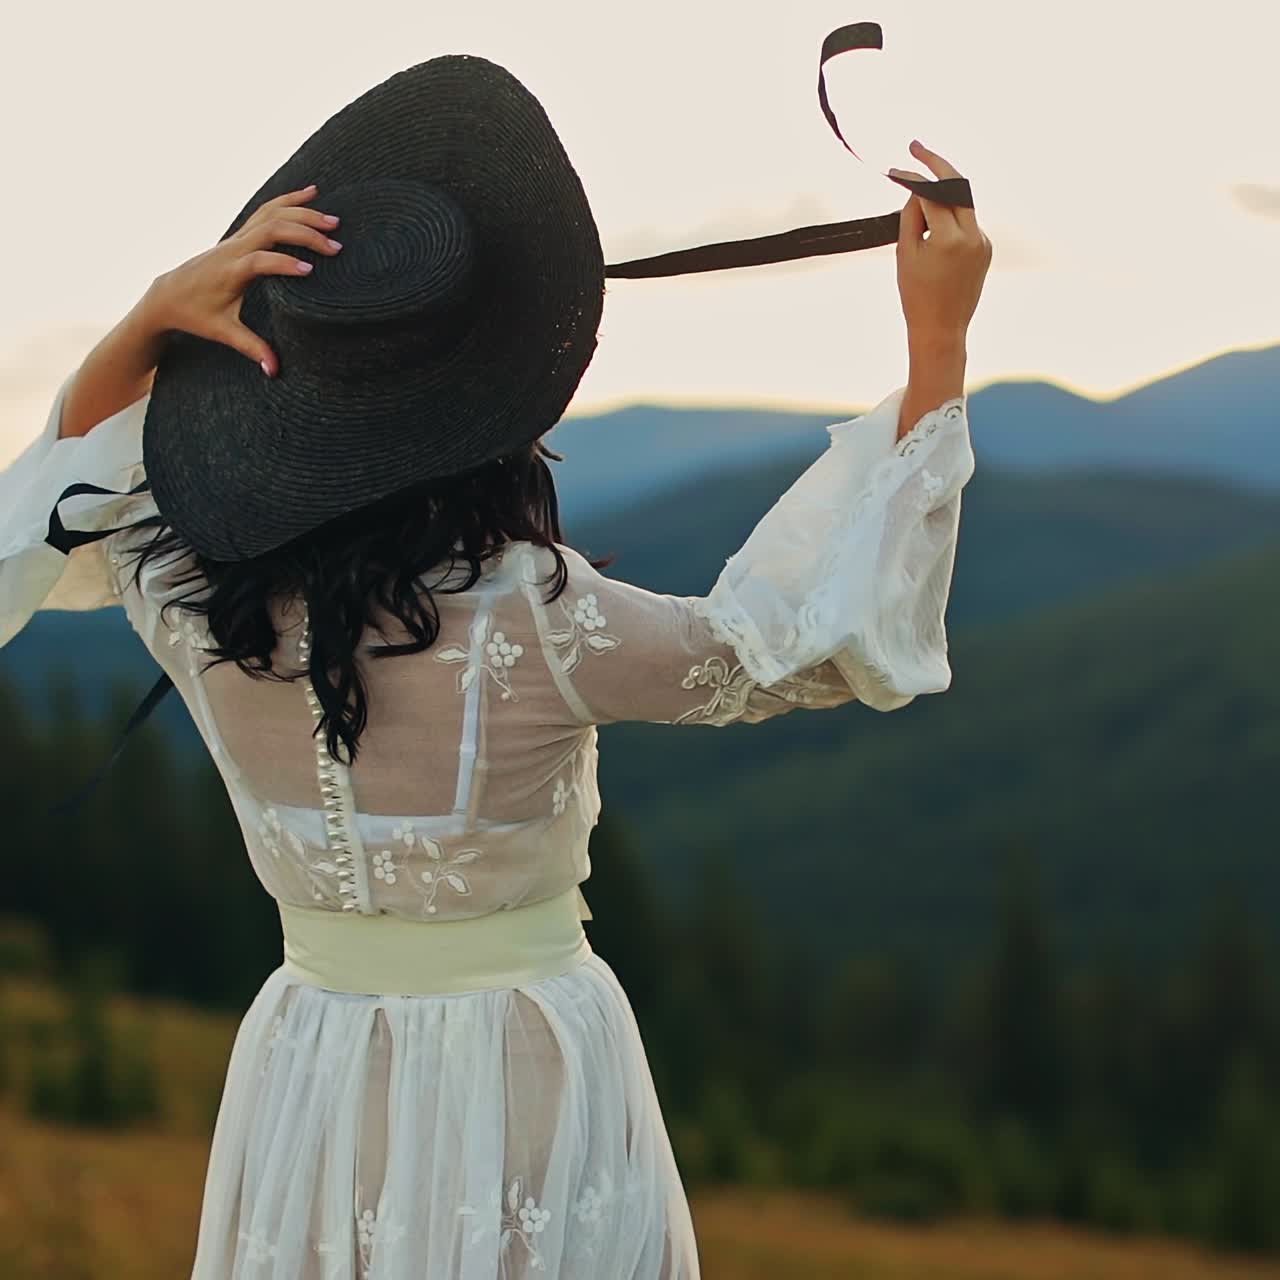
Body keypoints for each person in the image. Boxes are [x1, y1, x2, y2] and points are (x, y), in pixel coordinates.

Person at [0, 47, 989, 1280]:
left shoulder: (182, 588)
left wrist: (151, 314)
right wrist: (936, 346)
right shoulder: (537, 618)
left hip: (310, 1064)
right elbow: (801, 651)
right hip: (527, 1064)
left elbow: (71, 489)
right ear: (490, 416)